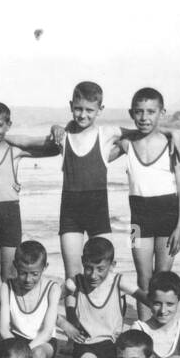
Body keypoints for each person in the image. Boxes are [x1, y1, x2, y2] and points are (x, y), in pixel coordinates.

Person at [0, 102, 60, 280]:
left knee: (10, 274)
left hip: (9, 215)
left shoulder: (15, 149)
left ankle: (8, 308)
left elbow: (54, 149)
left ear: (8, 125)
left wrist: (54, 129)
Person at [60, 236, 146, 358]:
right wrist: (65, 324)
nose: (93, 275)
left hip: (111, 346)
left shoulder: (117, 282)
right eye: (89, 267)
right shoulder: (76, 283)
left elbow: (146, 298)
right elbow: (45, 302)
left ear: (112, 265)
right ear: (83, 262)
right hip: (85, 347)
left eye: (101, 269)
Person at [120, 88, 180, 320]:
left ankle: (160, 328)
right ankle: (144, 329)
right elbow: (100, 141)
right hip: (137, 221)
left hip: (168, 216)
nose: (144, 117)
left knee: (162, 278)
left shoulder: (170, 145)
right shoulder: (126, 144)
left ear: (162, 112)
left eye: (151, 112)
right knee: (143, 277)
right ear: (131, 113)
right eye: (138, 112)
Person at [55, 81, 125, 281]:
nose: (83, 115)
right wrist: (55, 127)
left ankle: (105, 312)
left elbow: (138, 136)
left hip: (98, 214)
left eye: (89, 110)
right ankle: (73, 313)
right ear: (71, 106)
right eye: (78, 109)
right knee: (73, 276)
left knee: (106, 273)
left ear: (100, 110)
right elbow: (32, 145)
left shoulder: (106, 134)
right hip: (70, 214)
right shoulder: (64, 136)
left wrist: (170, 133)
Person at [0, 240, 62, 358]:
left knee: (37, 354)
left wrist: (24, 352)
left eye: (34, 274)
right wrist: (18, 350)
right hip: (15, 339)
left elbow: (46, 332)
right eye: (23, 273)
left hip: (43, 342)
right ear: (15, 266)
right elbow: (4, 330)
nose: (28, 279)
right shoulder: (7, 287)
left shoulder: (53, 288)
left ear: (45, 267)